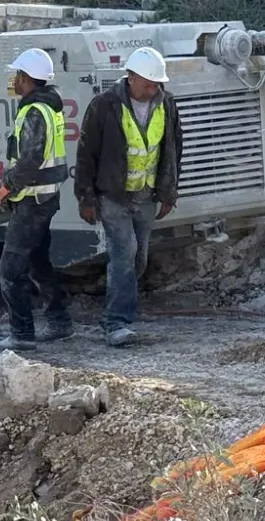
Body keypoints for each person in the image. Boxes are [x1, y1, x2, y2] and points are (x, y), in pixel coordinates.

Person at [73, 46, 183, 347]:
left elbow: (172, 149)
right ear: (131, 78)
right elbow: (86, 154)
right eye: (148, 83)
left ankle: (118, 308)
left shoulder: (166, 104)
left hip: (146, 196)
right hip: (114, 197)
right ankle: (115, 324)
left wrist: (168, 192)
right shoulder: (104, 106)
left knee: (138, 258)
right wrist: (85, 197)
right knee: (124, 253)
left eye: (157, 83)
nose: (153, 89)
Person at [0, 47, 73, 350]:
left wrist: (4, 189)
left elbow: (29, 161)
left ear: (26, 78)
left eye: (17, 75)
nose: (14, 80)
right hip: (45, 199)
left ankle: (22, 334)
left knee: (10, 271)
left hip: (32, 202)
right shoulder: (49, 108)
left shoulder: (34, 112)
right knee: (38, 263)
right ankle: (60, 322)